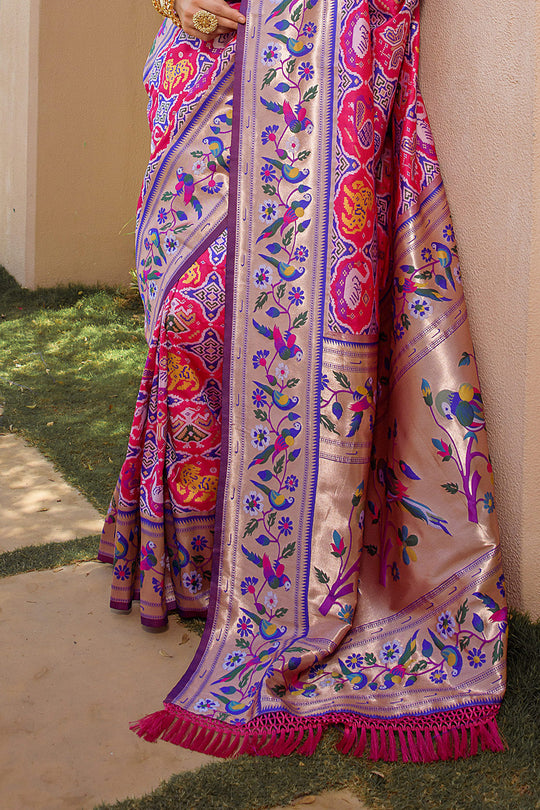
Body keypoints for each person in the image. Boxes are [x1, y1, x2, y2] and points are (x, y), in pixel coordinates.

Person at [99, 0, 507, 761]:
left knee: (276, 319)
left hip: (316, 89)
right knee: (187, 317)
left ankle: (274, 582)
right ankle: (192, 567)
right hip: (201, 66)